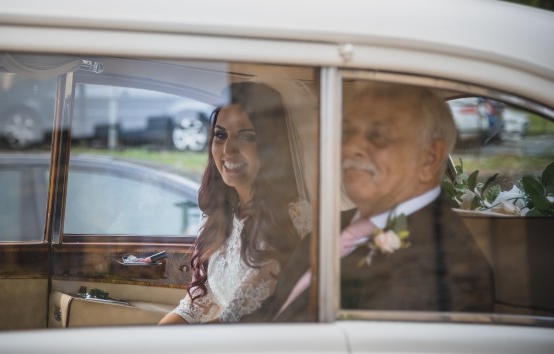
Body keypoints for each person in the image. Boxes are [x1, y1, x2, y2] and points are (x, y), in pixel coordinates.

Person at [242, 81, 494, 323]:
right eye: (348, 132)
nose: (351, 147)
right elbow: (274, 312)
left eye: (378, 135)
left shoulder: (449, 267)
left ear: (429, 158)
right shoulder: (329, 229)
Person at [158, 80, 313, 324]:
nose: (228, 149)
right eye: (220, 135)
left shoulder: (296, 218)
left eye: (247, 136)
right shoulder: (220, 217)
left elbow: (236, 317)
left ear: (271, 146)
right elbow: (198, 303)